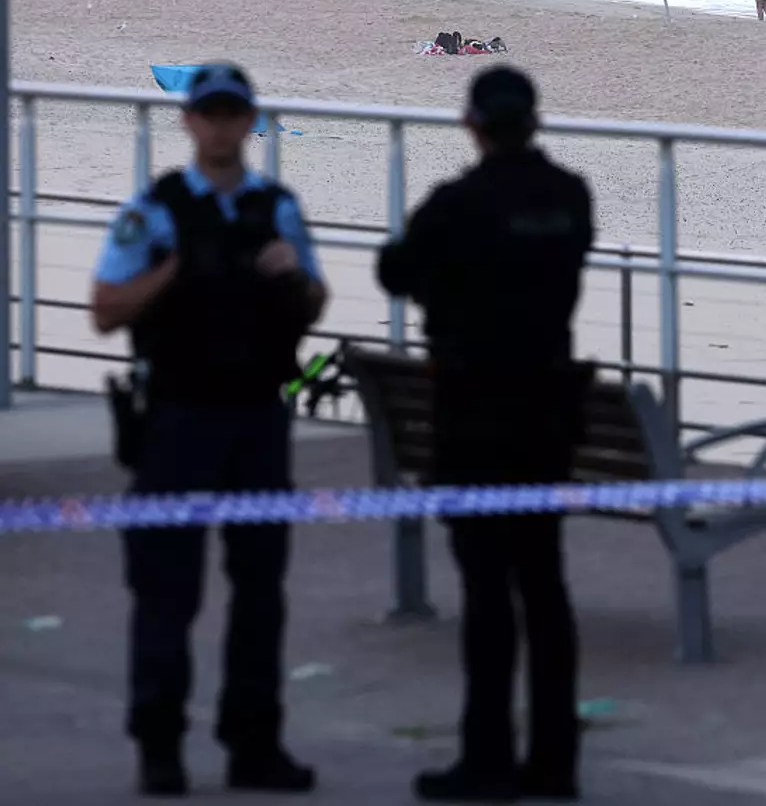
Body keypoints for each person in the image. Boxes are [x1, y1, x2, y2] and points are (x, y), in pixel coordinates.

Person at [89, 63, 328, 797]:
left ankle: (255, 743)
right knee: (166, 589)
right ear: (189, 121)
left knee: (260, 592)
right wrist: (173, 272)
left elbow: (313, 301)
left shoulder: (277, 209)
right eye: (209, 114)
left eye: (232, 114)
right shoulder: (155, 212)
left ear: (248, 121)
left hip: (257, 416)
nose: (221, 127)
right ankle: (159, 745)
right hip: (177, 419)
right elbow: (105, 309)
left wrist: (294, 276)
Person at [376, 66, 596, 803]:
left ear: (472, 124)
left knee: (486, 593)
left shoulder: (456, 205)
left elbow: (395, 270)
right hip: (545, 415)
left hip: (472, 415)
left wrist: (445, 287)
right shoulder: (569, 198)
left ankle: (488, 757)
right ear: (534, 123)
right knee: (545, 587)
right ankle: (555, 760)